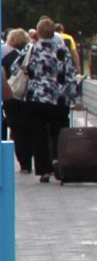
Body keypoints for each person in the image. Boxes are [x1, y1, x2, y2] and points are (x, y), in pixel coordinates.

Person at [24, 18, 81, 181]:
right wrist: (74, 98)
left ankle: (44, 170)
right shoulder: (62, 50)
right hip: (59, 98)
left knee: (38, 134)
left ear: (38, 32)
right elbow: (70, 75)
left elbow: (17, 67)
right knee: (59, 132)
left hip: (36, 97)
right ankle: (58, 160)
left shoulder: (32, 49)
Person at [3, 28, 35, 174]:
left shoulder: (7, 58)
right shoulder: (31, 54)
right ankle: (32, 155)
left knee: (17, 130)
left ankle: (24, 163)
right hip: (29, 97)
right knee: (30, 128)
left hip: (12, 96)